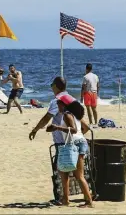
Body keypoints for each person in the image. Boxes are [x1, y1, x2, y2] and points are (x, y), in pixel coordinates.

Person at [28, 76, 93, 207]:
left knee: (67, 173)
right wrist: (79, 138)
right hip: (77, 141)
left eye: (52, 84)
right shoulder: (72, 100)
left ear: (56, 86)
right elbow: (84, 126)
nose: (51, 87)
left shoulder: (58, 102)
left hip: (65, 144)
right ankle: (67, 199)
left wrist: (35, 130)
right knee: (71, 173)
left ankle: (80, 200)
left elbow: (47, 118)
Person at [45, 99, 93, 207]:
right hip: (78, 143)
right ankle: (65, 200)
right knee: (64, 172)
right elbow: (85, 128)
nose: (57, 105)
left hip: (76, 144)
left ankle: (89, 201)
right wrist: (80, 137)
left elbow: (74, 130)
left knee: (78, 175)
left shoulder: (67, 115)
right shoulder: (74, 115)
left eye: (58, 103)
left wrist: (57, 127)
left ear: (63, 105)